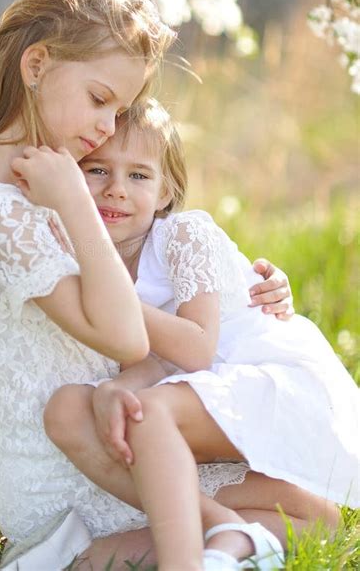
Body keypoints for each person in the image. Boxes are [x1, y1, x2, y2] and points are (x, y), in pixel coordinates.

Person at [0, 0, 308, 571]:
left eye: (118, 108)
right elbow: (125, 338)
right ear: (36, 65)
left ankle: (112, 554)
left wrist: (251, 291)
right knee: (300, 514)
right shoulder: (6, 210)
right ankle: (135, 547)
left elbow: (147, 279)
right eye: (98, 99)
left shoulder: (32, 180)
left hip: (110, 425)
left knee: (314, 511)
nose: (109, 126)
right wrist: (72, 200)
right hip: (74, 464)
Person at [43, 99, 358, 570]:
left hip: (269, 381)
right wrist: (118, 386)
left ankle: (182, 561)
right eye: (96, 171)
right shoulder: (103, 263)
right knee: (76, 408)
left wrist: (103, 295)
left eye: (139, 176)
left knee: (147, 415)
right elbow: (152, 361)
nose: (115, 191)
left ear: (166, 191)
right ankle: (230, 538)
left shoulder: (183, 235)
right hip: (202, 395)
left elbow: (194, 347)